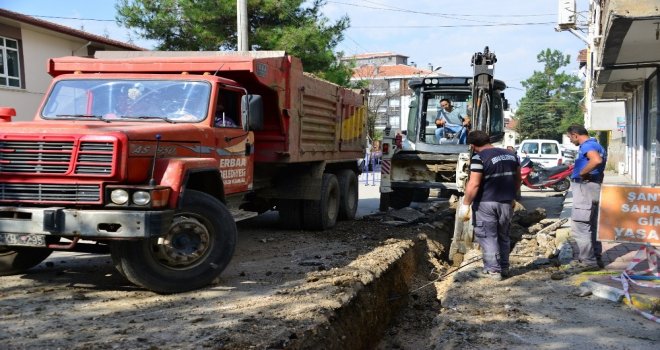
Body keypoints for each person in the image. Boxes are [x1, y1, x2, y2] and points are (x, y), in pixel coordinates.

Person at [458, 130, 521, 280]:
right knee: (503, 236)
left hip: (486, 203)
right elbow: (518, 179)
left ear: (473, 146)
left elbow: (473, 184)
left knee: (488, 237)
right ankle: (504, 268)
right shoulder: (511, 155)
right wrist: (512, 197)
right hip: (506, 202)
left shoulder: (479, 158)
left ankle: (493, 271)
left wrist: (465, 204)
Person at [563, 124, 607, 272]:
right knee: (591, 225)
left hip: (585, 187)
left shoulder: (587, 145)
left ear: (575, 135)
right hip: (593, 186)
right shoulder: (596, 144)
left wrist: (582, 173)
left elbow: (596, 160)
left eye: (570, 137)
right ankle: (596, 257)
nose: (570, 140)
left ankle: (588, 261)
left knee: (580, 225)